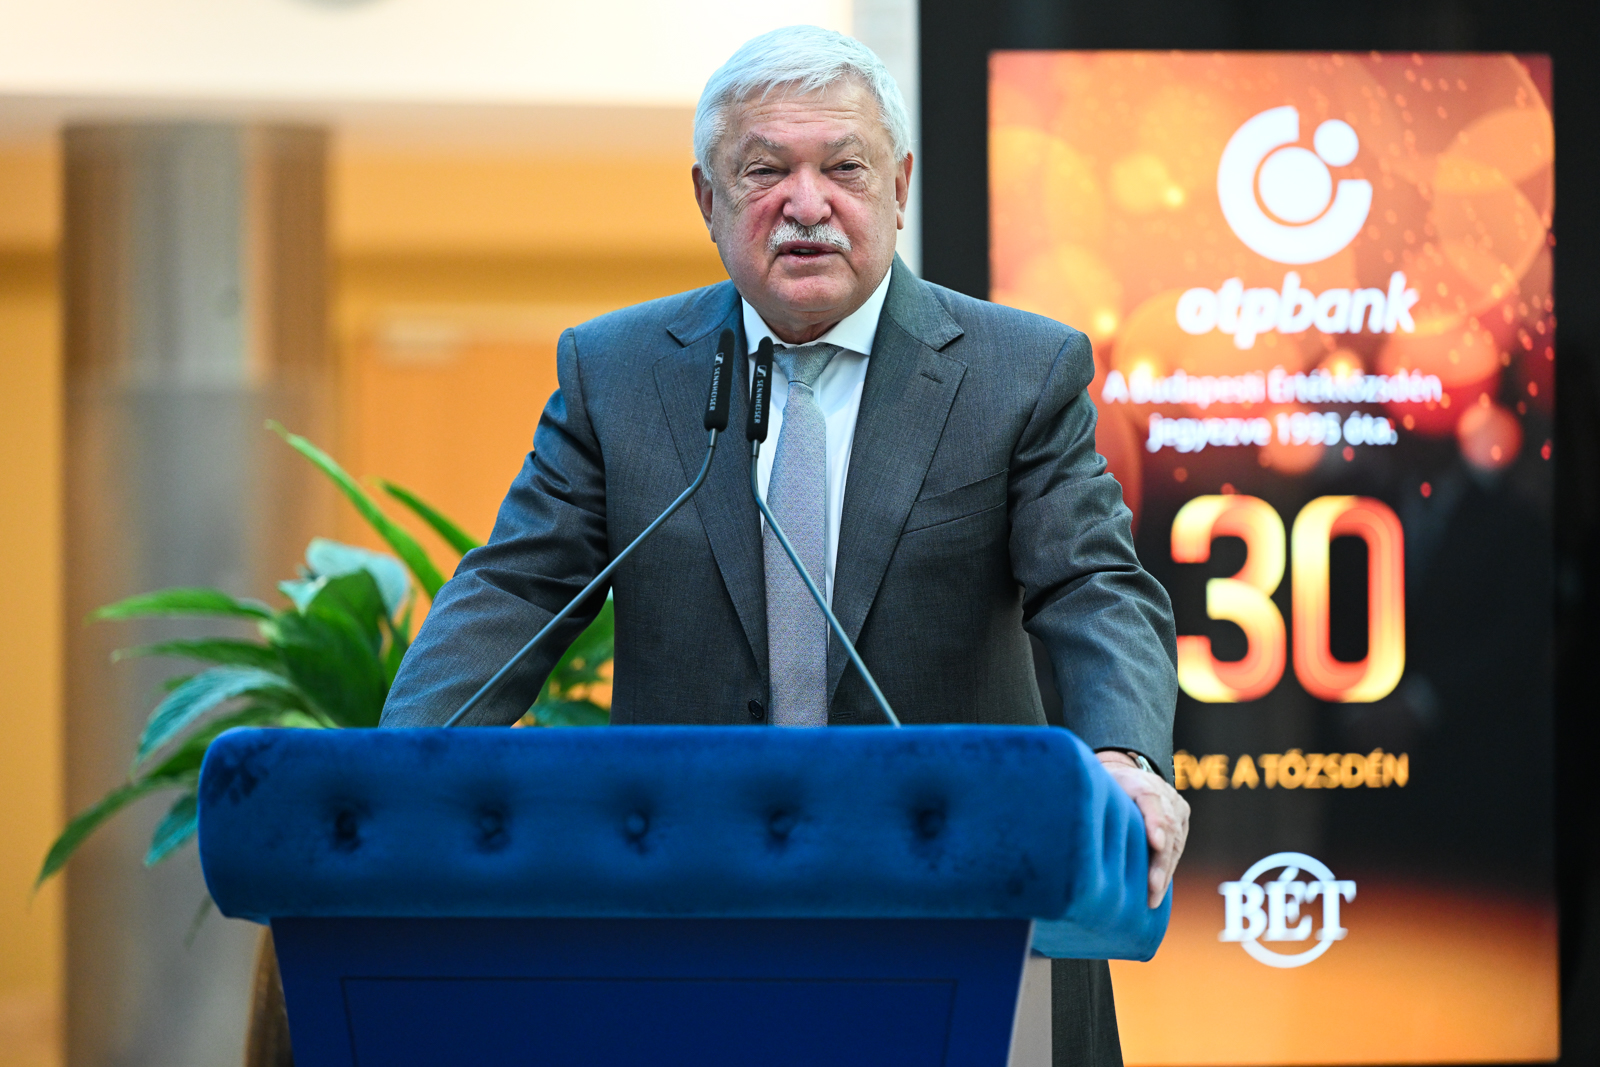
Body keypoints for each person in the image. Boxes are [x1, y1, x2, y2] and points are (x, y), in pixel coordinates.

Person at [382, 24, 1188, 1065]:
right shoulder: (619, 374)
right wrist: (397, 774)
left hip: (967, 898)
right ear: (706, 198)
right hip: (696, 908)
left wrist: (1126, 758)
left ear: (899, 186)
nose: (806, 204)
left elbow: (1093, 585)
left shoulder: (1017, 372)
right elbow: (517, 589)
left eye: (843, 168)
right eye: (764, 170)